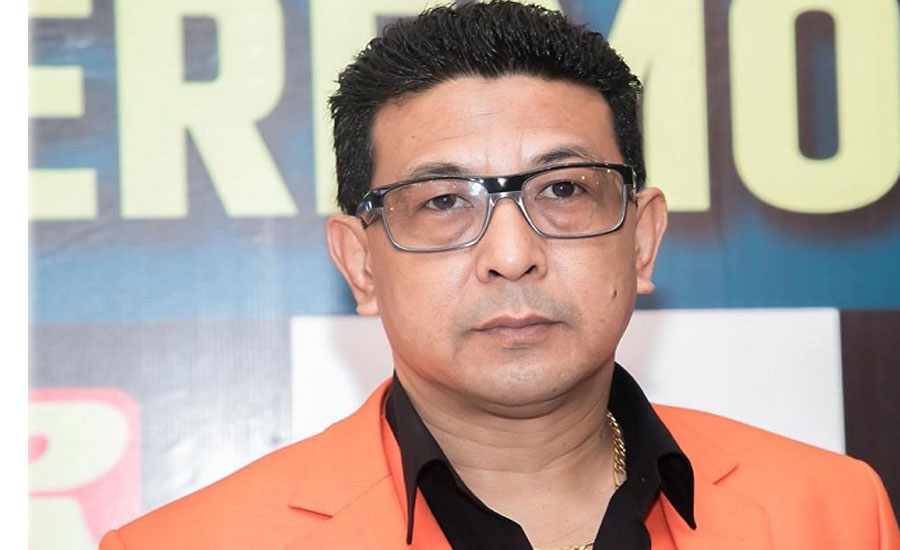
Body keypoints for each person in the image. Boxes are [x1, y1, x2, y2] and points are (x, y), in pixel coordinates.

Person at [100, 2, 900, 549]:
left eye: (563, 190)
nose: (511, 253)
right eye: (443, 201)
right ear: (360, 264)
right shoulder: (187, 543)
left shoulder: (833, 514)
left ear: (643, 240)